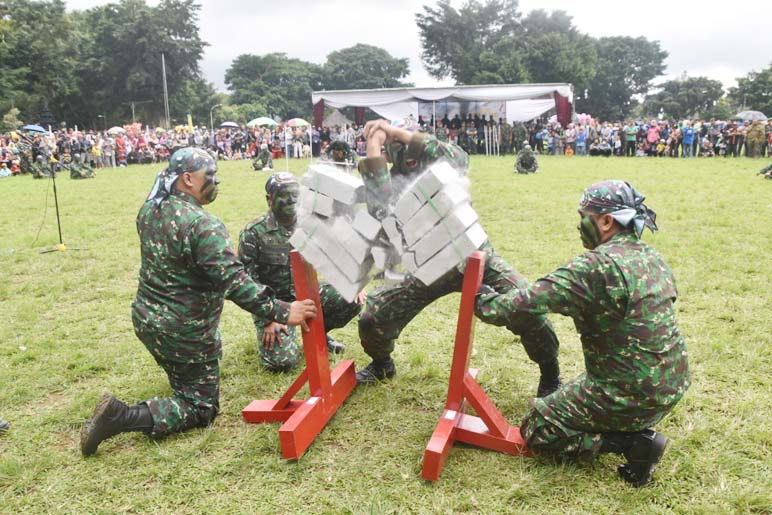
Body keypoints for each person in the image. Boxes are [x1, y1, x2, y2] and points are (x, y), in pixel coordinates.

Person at [80, 148, 317, 456]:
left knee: (188, 378)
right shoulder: (202, 225)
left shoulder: (150, 209)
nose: (216, 182)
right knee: (201, 406)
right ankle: (119, 416)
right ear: (188, 179)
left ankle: (182, 377)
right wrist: (284, 311)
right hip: (183, 332)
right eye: (211, 176)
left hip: (148, 319)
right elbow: (235, 282)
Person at [476, 180, 690, 487]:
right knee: (573, 390)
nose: (580, 225)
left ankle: (630, 444)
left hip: (630, 393)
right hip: (671, 384)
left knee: (537, 426)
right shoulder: (651, 257)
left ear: (606, 221)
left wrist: (481, 297)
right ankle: (629, 427)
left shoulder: (595, 267)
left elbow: (522, 306)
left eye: (583, 217)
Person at [353, 120, 562, 396]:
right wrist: (373, 144)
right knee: (373, 317)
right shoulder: (395, 184)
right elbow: (379, 207)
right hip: (430, 267)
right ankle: (382, 364)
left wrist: (395, 132)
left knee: (527, 308)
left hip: (475, 257)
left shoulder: (444, 165)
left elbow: (457, 157)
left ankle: (551, 374)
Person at [238, 173, 362, 371]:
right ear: (269, 199)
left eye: (296, 195)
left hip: (307, 295)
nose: (292, 200)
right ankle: (282, 335)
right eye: (284, 195)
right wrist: (269, 318)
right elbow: (247, 283)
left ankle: (319, 334)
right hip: (275, 303)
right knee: (281, 363)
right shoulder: (253, 233)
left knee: (351, 298)